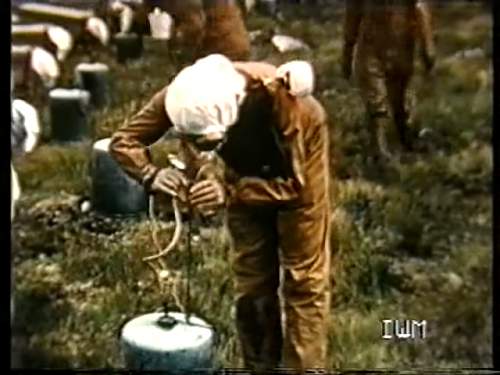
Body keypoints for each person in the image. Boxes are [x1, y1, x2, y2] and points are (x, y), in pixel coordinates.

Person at [109, 54, 332, 372]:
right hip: (241, 169)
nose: (195, 147)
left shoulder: (281, 100)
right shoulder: (181, 96)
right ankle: (259, 366)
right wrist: (151, 175)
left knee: (303, 282)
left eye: (205, 142)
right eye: (189, 140)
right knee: (252, 281)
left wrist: (229, 192)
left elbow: (297, 187)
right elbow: (124, 141)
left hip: (297, 171)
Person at [342, 0, 436, 161]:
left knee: (399, 97)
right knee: (375, 98)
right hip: (372, 45)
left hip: (401, 44)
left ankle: (404, 136)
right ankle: (379, 147)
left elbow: (420, 8)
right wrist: (347, 51)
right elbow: (353, 14)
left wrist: (427, 45)